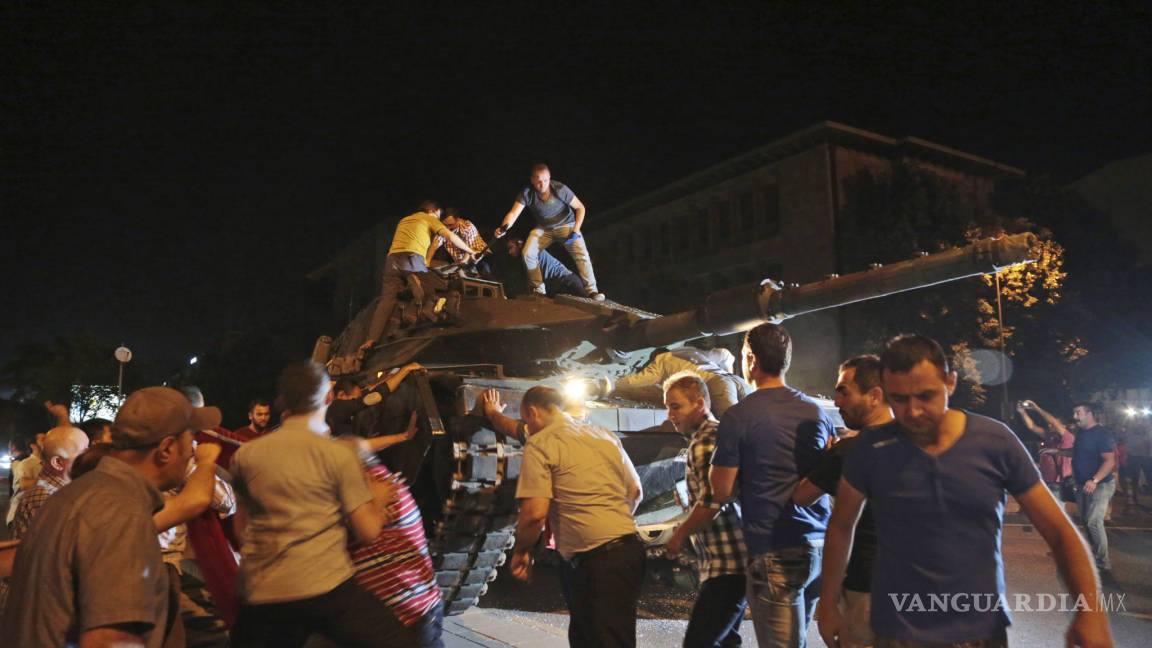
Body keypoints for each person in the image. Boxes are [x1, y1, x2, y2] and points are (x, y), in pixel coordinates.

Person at [818, 334, 1113, 648]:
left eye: (925, 395)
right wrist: (827, 605)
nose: (913, 411)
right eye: (900, 399)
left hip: (979, 634)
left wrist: (1091, 613)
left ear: (950, 383)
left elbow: (1059, 532)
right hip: (895, 633)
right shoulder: (870, 447)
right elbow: (840, 526)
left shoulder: (994, 442)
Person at [0, 386, 217, 648]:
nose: (192, 451)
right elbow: (111, 641)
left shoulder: (80, 494)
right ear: (167, 448)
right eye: (189, 440)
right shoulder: (122, 513)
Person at [229, 361, 420, 647]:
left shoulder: (246, 455)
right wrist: (379, 499)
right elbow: (367, 531)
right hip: (325, 588)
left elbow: (242, 531)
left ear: (283, 402)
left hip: (262, 592)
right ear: (328, 399)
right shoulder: (338, 456)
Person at [709, 323, 833, 648]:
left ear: (751, 360)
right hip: (819, 547)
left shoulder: (738, 417)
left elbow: (721, 490)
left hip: (775, 547)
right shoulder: (816, 411)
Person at [511, 385, 644, 647]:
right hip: (627, 552)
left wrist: (521, 550)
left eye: (527, 421)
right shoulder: (603, 434)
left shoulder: (540, 443)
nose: (528, 428)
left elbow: (534, 515)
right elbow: (635, 491)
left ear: (532, 412)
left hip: (596, 563)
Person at [791, 355, 890, 648]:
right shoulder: (920, 443)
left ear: (875, 395)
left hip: (866, 589)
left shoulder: (850, 452)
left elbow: (801, 496)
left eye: (844, 391)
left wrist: (828, 603)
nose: (837, 402)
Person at [661, 373, 747, 648]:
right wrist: (689, 503)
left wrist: (680, 534)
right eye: (668, 406)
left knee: (699, 642)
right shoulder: (711, 436)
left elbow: (714, 502)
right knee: (726, 641)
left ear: (699, 404)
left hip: (728, 563)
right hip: (730, 562)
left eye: (676, 406)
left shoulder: (706, 440)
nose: (670, 414)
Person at [363, 201, 483, 351]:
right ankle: (417, 288)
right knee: (435, 288)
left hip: (392, 261)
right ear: (433, 211)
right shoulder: (429, 218)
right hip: (412, 257)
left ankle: (370, 340)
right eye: (439, 216)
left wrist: (426, 263)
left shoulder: (404, 220)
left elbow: (432, 246)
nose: (439, 220)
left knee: (387, 301)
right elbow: (450, 237)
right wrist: (471, 251)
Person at [495, 164, 604, 300]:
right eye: (539, 181)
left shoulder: (559, 189)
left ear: (550, 178)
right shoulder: (527, 193)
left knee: (582, 254)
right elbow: (513, 214)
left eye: (546, 180)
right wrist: (503, 228)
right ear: (532, 180)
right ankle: (539, 290)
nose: (543, 184)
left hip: (566, 225)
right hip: (545, 228)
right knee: (528, 252)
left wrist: (576, 229)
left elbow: (580, 208)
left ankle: (592, 291)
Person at [613, 346, 751, 418]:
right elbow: (726, 355)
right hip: (736, 380)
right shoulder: (688, 351)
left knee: (735, 426)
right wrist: (727, 375)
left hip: (717, 384)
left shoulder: (661, 360)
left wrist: (615, 383)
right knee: (757, 420)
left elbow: (637, 381)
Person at [1071, 402, 1117, 573]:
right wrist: (1057, 452)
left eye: (1078, 413)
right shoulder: (1081, 433)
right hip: (1083, 484)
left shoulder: (1102, 434)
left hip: (1100, 485)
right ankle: (1093, 555)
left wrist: (1094, 479)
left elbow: (1109, 460)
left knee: (1093, 521)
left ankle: (1103, 561)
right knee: (1085, 521)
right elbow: (1078, 452)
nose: (1075, 417)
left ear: (1089, 414)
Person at [504, 237, 586, 297]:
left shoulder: (528, 252)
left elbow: (535, 284)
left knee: (590, 308)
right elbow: (531, 281)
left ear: (519, 243)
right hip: (557, 285)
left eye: (511, 248)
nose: (509, 252)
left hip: (566, 281)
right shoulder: (526, 258)